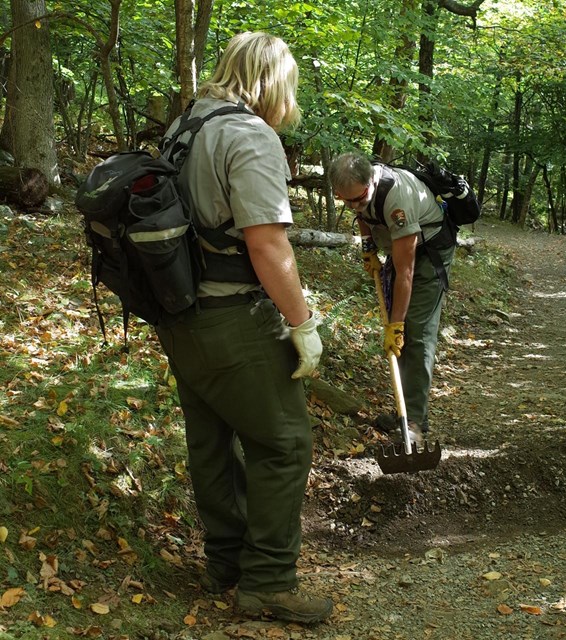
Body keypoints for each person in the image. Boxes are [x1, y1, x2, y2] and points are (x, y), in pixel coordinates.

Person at [155, 32, 333, 624]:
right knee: (284, 443)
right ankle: (268, 582)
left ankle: (226, 563)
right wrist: (302, 323)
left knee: (210, 439)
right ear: (274, 80)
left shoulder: (186, 125)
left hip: (180, 317)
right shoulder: (250, 135)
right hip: (233, 317)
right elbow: (267, 244)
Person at [328, 152, 456, 448]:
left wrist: (396, 325)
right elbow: (363, 215)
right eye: (346, 201)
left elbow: (405, 271)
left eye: (359, 199)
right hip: (401, 250)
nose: (354, 207)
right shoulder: (356, 192)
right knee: (404, 331)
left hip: (429, 253)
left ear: (370, 181)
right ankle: (403, 411)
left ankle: (414, 423)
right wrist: (368, 246)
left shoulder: (396, 197)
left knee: (417, 332)